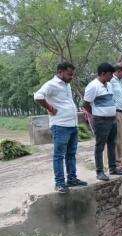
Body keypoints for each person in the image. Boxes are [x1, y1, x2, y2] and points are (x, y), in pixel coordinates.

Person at [34, 62, 88, 193]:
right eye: (69, 74)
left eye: (73, 74)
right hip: (60, 125)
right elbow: (38, 96)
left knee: (71, 154)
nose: (71, 77)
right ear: (60, 72)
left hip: (72, 125)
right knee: (59, 155)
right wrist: (50, 107)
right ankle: (59, 183)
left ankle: (72, 179)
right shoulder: (51, 84)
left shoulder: (66, 85)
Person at [83, 63, 122, 181]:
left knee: (112, 143)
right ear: (103, 74)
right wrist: (96, 114)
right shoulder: (93, 86)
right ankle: (100, 171)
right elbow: (86, 104)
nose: (112, 76)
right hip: (100, 120)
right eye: (110, 74)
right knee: (100, 145)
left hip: (112, 119)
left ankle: (113, 168)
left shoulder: (109, 85)